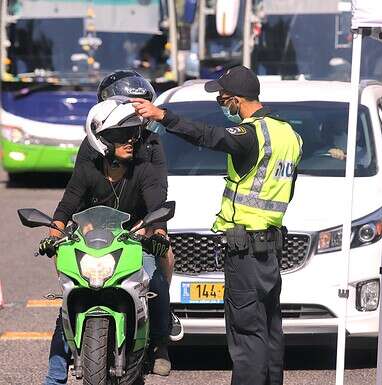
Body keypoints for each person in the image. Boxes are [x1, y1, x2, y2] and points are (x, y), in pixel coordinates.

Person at [131, 65, 303, 385]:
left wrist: (162, 116)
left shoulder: (251, 134)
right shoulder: (289, 135)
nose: (222, 105)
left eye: (223, 99)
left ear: (238, 100)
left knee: (246, 332)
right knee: (269, 327)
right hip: (271, 246)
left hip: (246, 249)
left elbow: (208, 136)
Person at [40, 97, 173, 384]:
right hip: (92, 243)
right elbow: (66, 207)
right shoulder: (88, 170)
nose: (130, 141)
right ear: (101, 140)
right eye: (120, 136)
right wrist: (52, 235)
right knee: (67, 301)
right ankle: (54, 375)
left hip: (133, 239)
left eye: (133, 134)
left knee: (156, 280)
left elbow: (156, 208)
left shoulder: (144, 170)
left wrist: (159, 235)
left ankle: (161, 342)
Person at [75, 70, 184, 343]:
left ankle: (161, 331)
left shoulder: (151, 144)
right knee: (71, 287)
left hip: (138, 226)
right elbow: (76, 195)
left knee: (161, 263)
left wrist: (156, 229)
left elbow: (157, 193)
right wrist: (68, 227)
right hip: (94, 226)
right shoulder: (91, 145)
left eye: (138, 108)